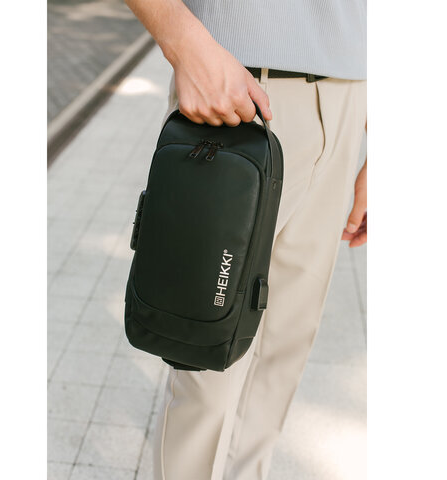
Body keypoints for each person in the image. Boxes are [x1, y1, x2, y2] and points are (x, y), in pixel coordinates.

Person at [125, 1, 367, 478]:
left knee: (282, 354)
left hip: (350, 93)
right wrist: (182, 43)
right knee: (205, 351)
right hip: (238, 88)